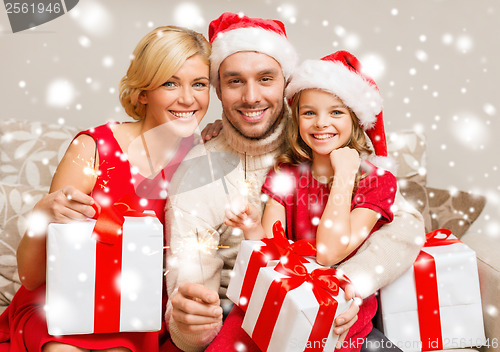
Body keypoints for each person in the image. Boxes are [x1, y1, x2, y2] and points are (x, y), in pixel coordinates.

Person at [165, 12, 425, 352]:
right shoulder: (198, 174)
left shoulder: (322, 135)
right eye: (235, 81)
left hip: (344, 310)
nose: (251, 96)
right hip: (247, 310)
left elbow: (407, 227)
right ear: (218, 88)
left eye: (266, 79)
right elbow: (194, 297)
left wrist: (349, 286)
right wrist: (190, 322)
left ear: (287, 82)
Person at [0, 26, 211, 352]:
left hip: (132, 313)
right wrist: (43, 211)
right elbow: (31, 277)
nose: (187, 98)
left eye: (199, 84)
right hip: (61, 305)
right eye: (170, 83)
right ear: (143, 92)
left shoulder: (200, 159)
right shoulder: (94, 147)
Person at [226, 50, 399, 351]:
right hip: (285, 295)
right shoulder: (286, 174)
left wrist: (344, 174)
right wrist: (253, 228)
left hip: (340, 308)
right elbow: (270, 250)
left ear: (356, 119)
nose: (321, 123)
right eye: (309, 113)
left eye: (336, 112)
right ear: (297, 118)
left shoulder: (377, 182)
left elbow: (329, 253)